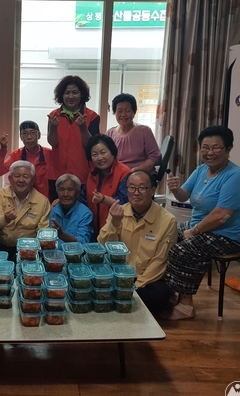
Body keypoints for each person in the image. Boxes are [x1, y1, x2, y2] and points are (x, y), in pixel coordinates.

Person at [164, 126, 240, 320]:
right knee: (164, 233)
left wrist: (193, 231)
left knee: (183, 250)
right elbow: (183, 196)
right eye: (205, 147)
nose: (209, 153)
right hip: (200, 228)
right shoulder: (202, 170)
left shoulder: (236, 176)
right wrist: (176, 188)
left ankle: (186, 306)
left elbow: (221, 215)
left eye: (216, 147)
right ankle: (167, 292)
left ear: (228, 149)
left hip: (228, 236)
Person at [97, 171, 177, 317]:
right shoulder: (118, 212)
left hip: (147, 280)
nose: (136, 192)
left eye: (142, 188)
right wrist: (115, 223)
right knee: (95, 290)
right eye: (132, 187)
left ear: (152, 190)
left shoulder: (168, 220)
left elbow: (160, 261)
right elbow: (104, 246)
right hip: (118, 274)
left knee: (157, 296)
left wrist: (136, 286)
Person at [47, 75, 100, 201]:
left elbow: (92, 146)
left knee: (81, 209)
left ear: (82, 94)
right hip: (57, 174)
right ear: (62, 95)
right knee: (57, 209)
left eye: (75, 92)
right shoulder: (53, 115)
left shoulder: (92, 116)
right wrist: (53, 128)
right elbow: (53, 143)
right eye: (67, 93)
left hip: (82, 175)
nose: (71, 96)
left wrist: (83, 128)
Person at [0, 160, 51, 260]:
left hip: (28, 251)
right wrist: (5, 218)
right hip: (0, 248)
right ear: (10, 179)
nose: (21, 180)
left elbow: (43, 233)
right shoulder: (0, 194)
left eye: (26, 176)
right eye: (17, 176)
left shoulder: (42, 201)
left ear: (33, 180)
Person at [85, 134, 131, 234]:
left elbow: (125, 202)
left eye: (103, 153)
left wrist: (103, 199)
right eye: (95, 155)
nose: (99, 158)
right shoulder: (92, 173)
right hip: (94, 229)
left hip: (117, 228)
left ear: (112, 152)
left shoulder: (124, 172)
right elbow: (83, 198)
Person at [0, 121, 53, 199]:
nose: (29, 137)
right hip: (21, 199)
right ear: (21, 137)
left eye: (32, 133)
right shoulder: (16, 155)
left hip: (44, 199)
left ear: (39, 135)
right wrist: (3, 149)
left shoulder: (50, 154)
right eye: (24, 133)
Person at [106, 93, 162, 171]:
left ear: (134, 112)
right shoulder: (110, 133)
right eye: (119, 111)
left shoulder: (145, 131)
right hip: (118, 174)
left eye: (127, 111)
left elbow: (155, 156)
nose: (123, 114)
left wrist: (137, 169)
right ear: (115, 113)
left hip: (141, 173)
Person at [49, 173, 93, 247]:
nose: (65, 194)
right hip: (55, 252)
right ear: (57, 192)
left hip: (76, 253)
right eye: (62, 190)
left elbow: (83, 242)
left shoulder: (86, 214)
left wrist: (62, 235)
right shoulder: (54, 210)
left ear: (78, 193)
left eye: (70, 190)